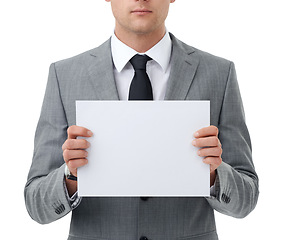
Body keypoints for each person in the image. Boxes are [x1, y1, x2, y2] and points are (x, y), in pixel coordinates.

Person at [24, 0, 259, 239]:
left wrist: (213, 174)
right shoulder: (64, 76)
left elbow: (246, 199)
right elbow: (36, 205)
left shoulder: (219, 73)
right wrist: (70, 176)